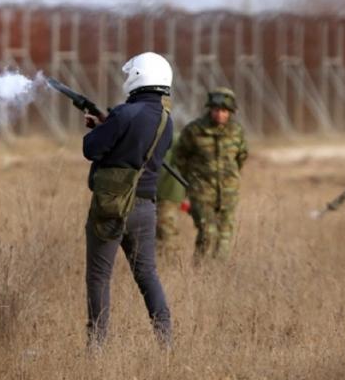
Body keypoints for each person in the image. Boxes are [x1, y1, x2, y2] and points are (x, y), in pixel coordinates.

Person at [83, 51, 174, 348]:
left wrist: (99, 128)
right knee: (147, 275)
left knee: (99, 276)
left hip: (112, 205)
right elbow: (137, 149)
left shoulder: (124, 113)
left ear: (138, 76)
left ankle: (97, 346)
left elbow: (92, 149)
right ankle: (166, 342)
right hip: (146, 207)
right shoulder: (166, 120)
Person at [172, 87, 248, 261]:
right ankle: (199, 271)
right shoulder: (194, 131)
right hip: (202, 191)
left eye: (224, 111)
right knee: (208, 233)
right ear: (210, 109)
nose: (220, 114)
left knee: (225, 237)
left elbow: (241, 156)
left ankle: (218, 276)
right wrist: (193, 179)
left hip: (228, 192)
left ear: (230, 112)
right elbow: (180, 156)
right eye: (216, 110)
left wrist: (231, 177)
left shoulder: (236, 132)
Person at [154, 137, 187, 258]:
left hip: (168, 192)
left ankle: (172, 264)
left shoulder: (172, 139)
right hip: (163, 192)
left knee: (166, 229)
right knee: (160, 230)